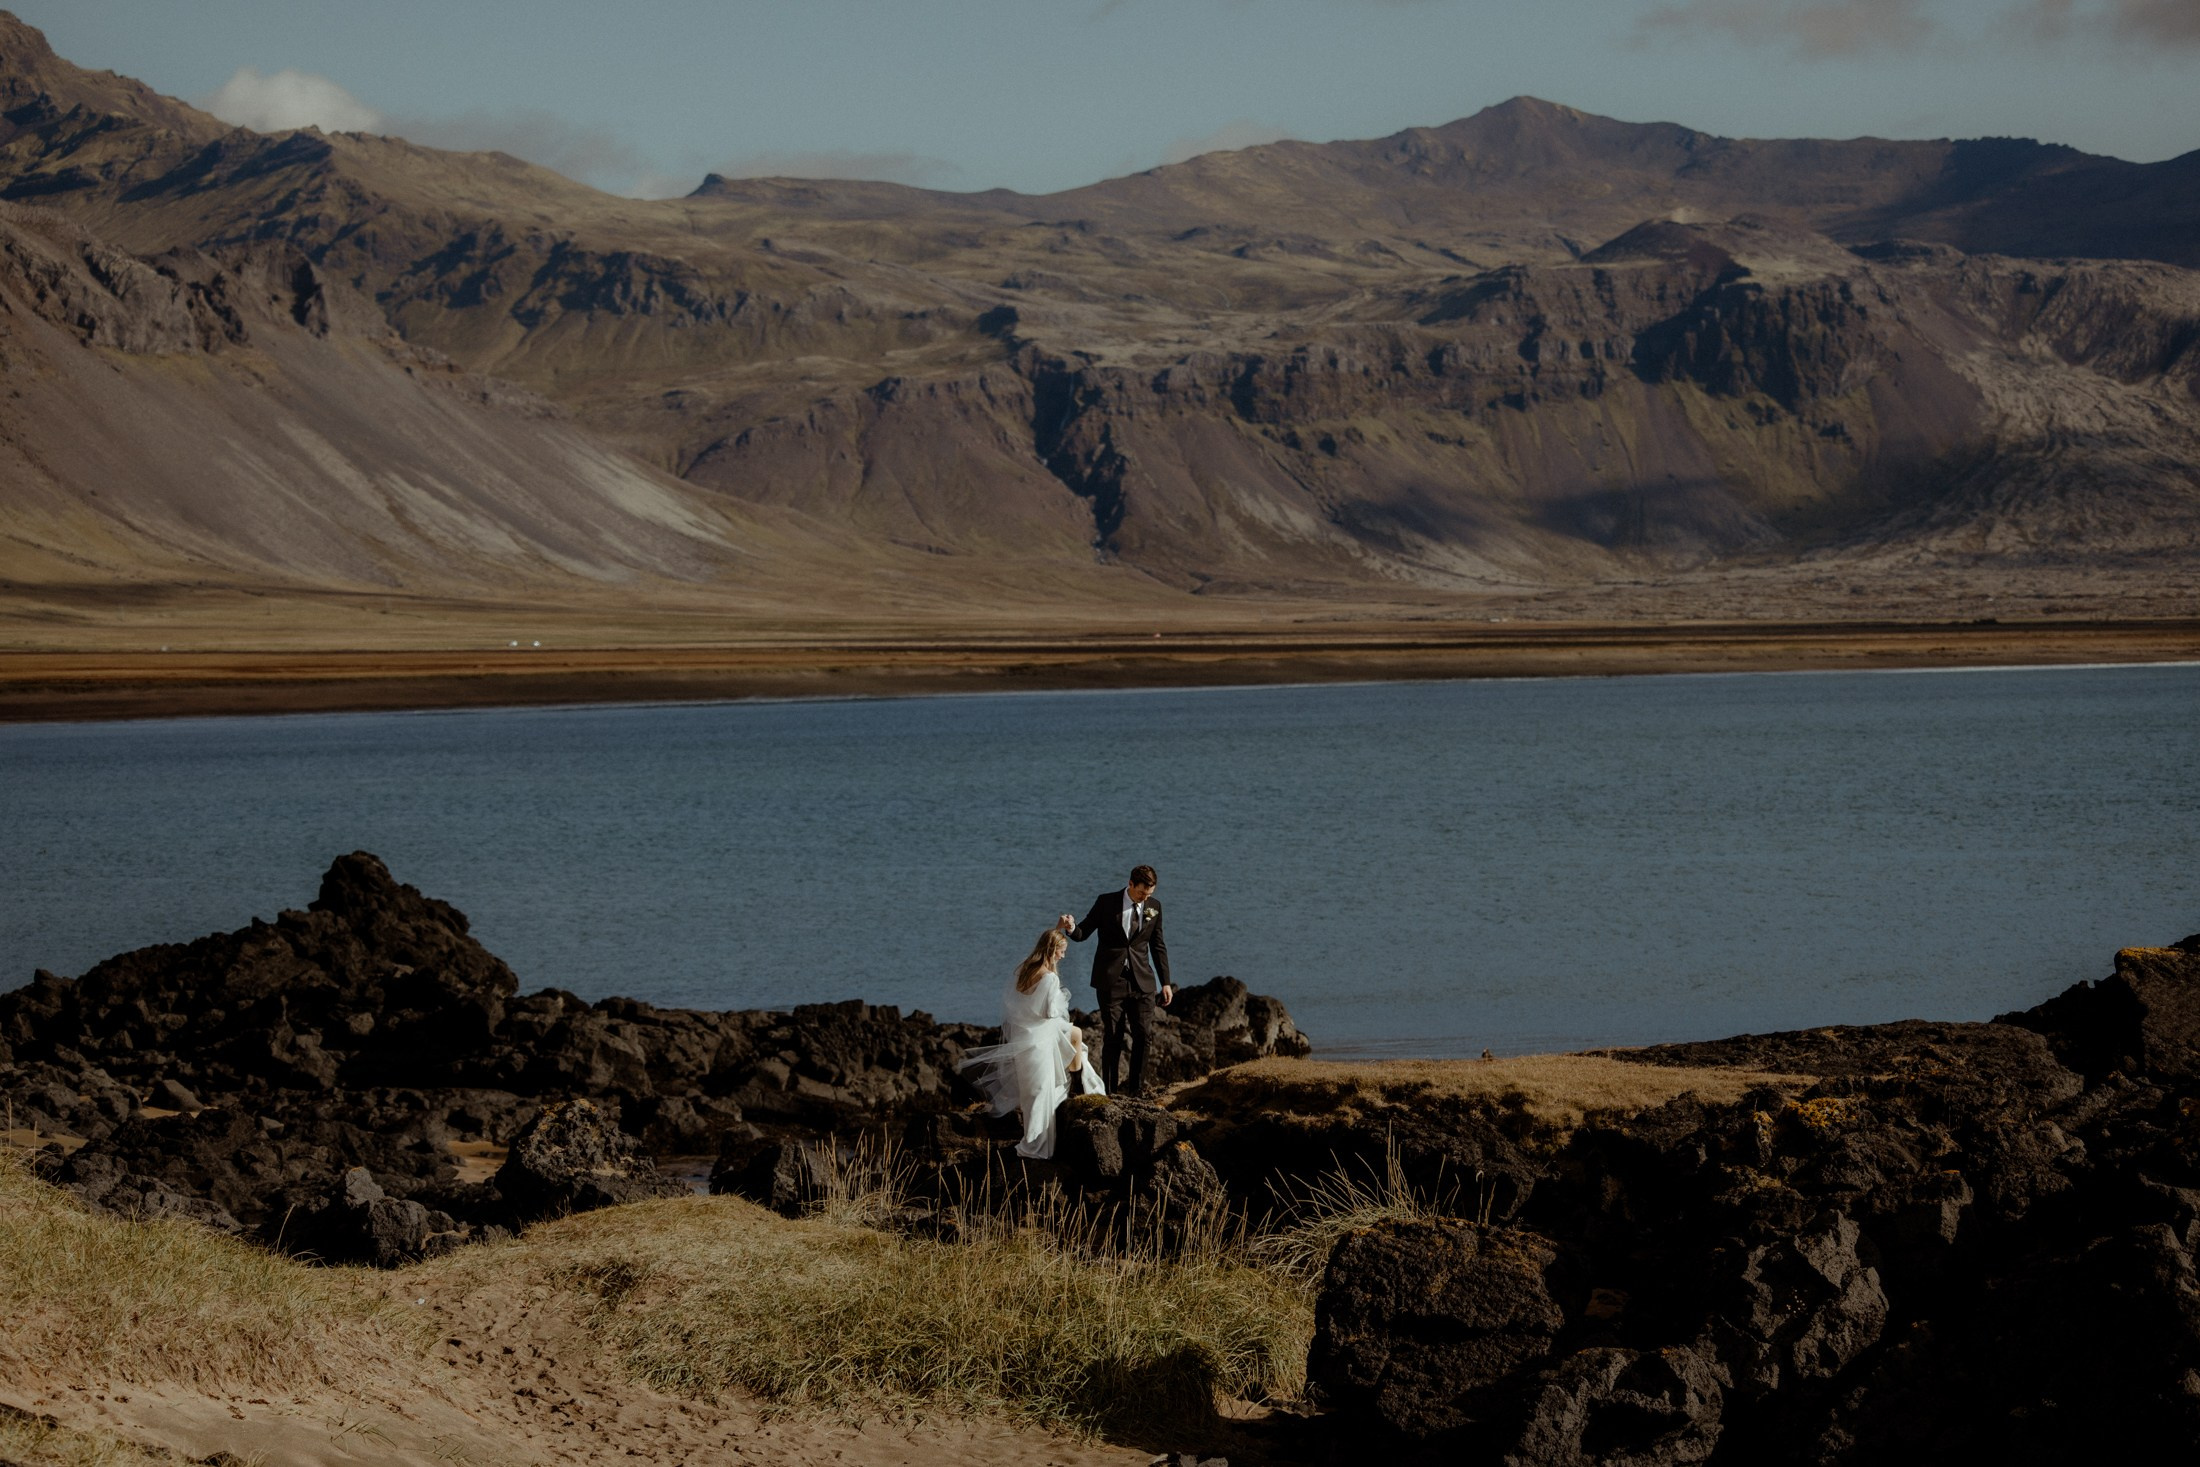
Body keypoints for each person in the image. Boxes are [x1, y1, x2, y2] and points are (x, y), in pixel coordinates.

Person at [960, 928, 1104, 1159]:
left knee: (1033, 1093)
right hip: (1041, 1039)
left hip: (1024, 1038)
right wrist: (1061, 1002)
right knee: (1043, 1091)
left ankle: (1071, 1088)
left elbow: (1018, 1004)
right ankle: (1038, 1142)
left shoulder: (1025, 968)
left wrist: (1058, 927)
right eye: (1061, 951)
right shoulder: (1049, 977)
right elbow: (1048, 1012)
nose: (1063, 956)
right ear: (1052, 950)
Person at [1059, 863, 1171, 1098]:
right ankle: (1110, 1092)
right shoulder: (1106, 902)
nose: (1144, 899)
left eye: (1149, 894)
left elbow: (1157, 945)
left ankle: (1136, 1090)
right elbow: (1083, 933)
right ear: (1130, 884)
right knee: (1113, 1036)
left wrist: (1166, 982)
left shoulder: (1154, 907)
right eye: (1141, 893)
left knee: (1143, 1034)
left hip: (1142, 982)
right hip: (1111, 981)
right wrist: (1071, 928)